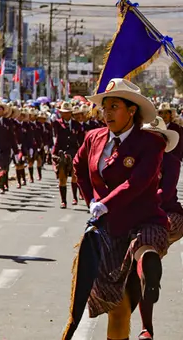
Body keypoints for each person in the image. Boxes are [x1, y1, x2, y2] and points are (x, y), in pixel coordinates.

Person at [70, 79, 166, 340]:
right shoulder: (93, 138)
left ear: (132, 110)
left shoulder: (151, 143)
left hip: (143, 219)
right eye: (104, 107)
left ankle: (147, 266)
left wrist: (105, 203)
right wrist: (91, 199)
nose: (107, 113)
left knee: (144, 244)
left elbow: (136, 183)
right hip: (107, 230)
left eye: (114, 106)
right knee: (118, 308)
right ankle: (143, 269)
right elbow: (78, 167)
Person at [137, 116, 180, 340]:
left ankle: (147, 328)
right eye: (148, 137)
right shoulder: (133, 157)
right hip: (135, 211)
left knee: (148, 241)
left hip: (166, 212)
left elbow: (166, 193)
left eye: (157, 138)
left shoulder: (171, 161)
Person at [53, 101, 80, 208]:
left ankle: (74, 196)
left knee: (75, 175)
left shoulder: (76, 125)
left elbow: (79, 139)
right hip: (61, 152)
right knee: (62, 177)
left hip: (74, 152)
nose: (66, 114)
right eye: (64, 112)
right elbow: (56, 138)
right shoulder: (57, 123)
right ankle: (63, 200)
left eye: (68, 112)